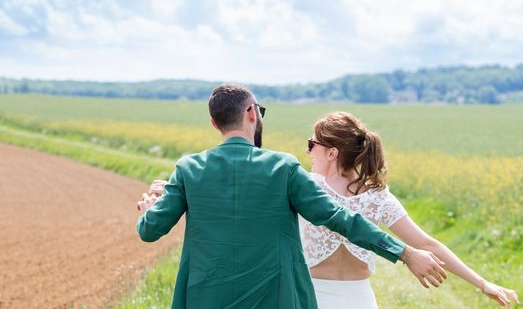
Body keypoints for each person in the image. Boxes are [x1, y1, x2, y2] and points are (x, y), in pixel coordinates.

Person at [136, 84, 447, 309]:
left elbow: (150, 231)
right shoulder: (282, 168)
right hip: (274, 299)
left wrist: (150, 209)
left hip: (204, 299)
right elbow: (340, 218)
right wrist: (403, 252)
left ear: (214, 123)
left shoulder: (188, 169)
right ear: (251, 114)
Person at [300, 111, 520, 309]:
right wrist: (482, 283)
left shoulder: (306, 189)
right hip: (360, 301)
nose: (307, 151)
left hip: (312, 298)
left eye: (312, 144)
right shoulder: (377, 197)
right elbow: (427, 243)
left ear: (332, 153)